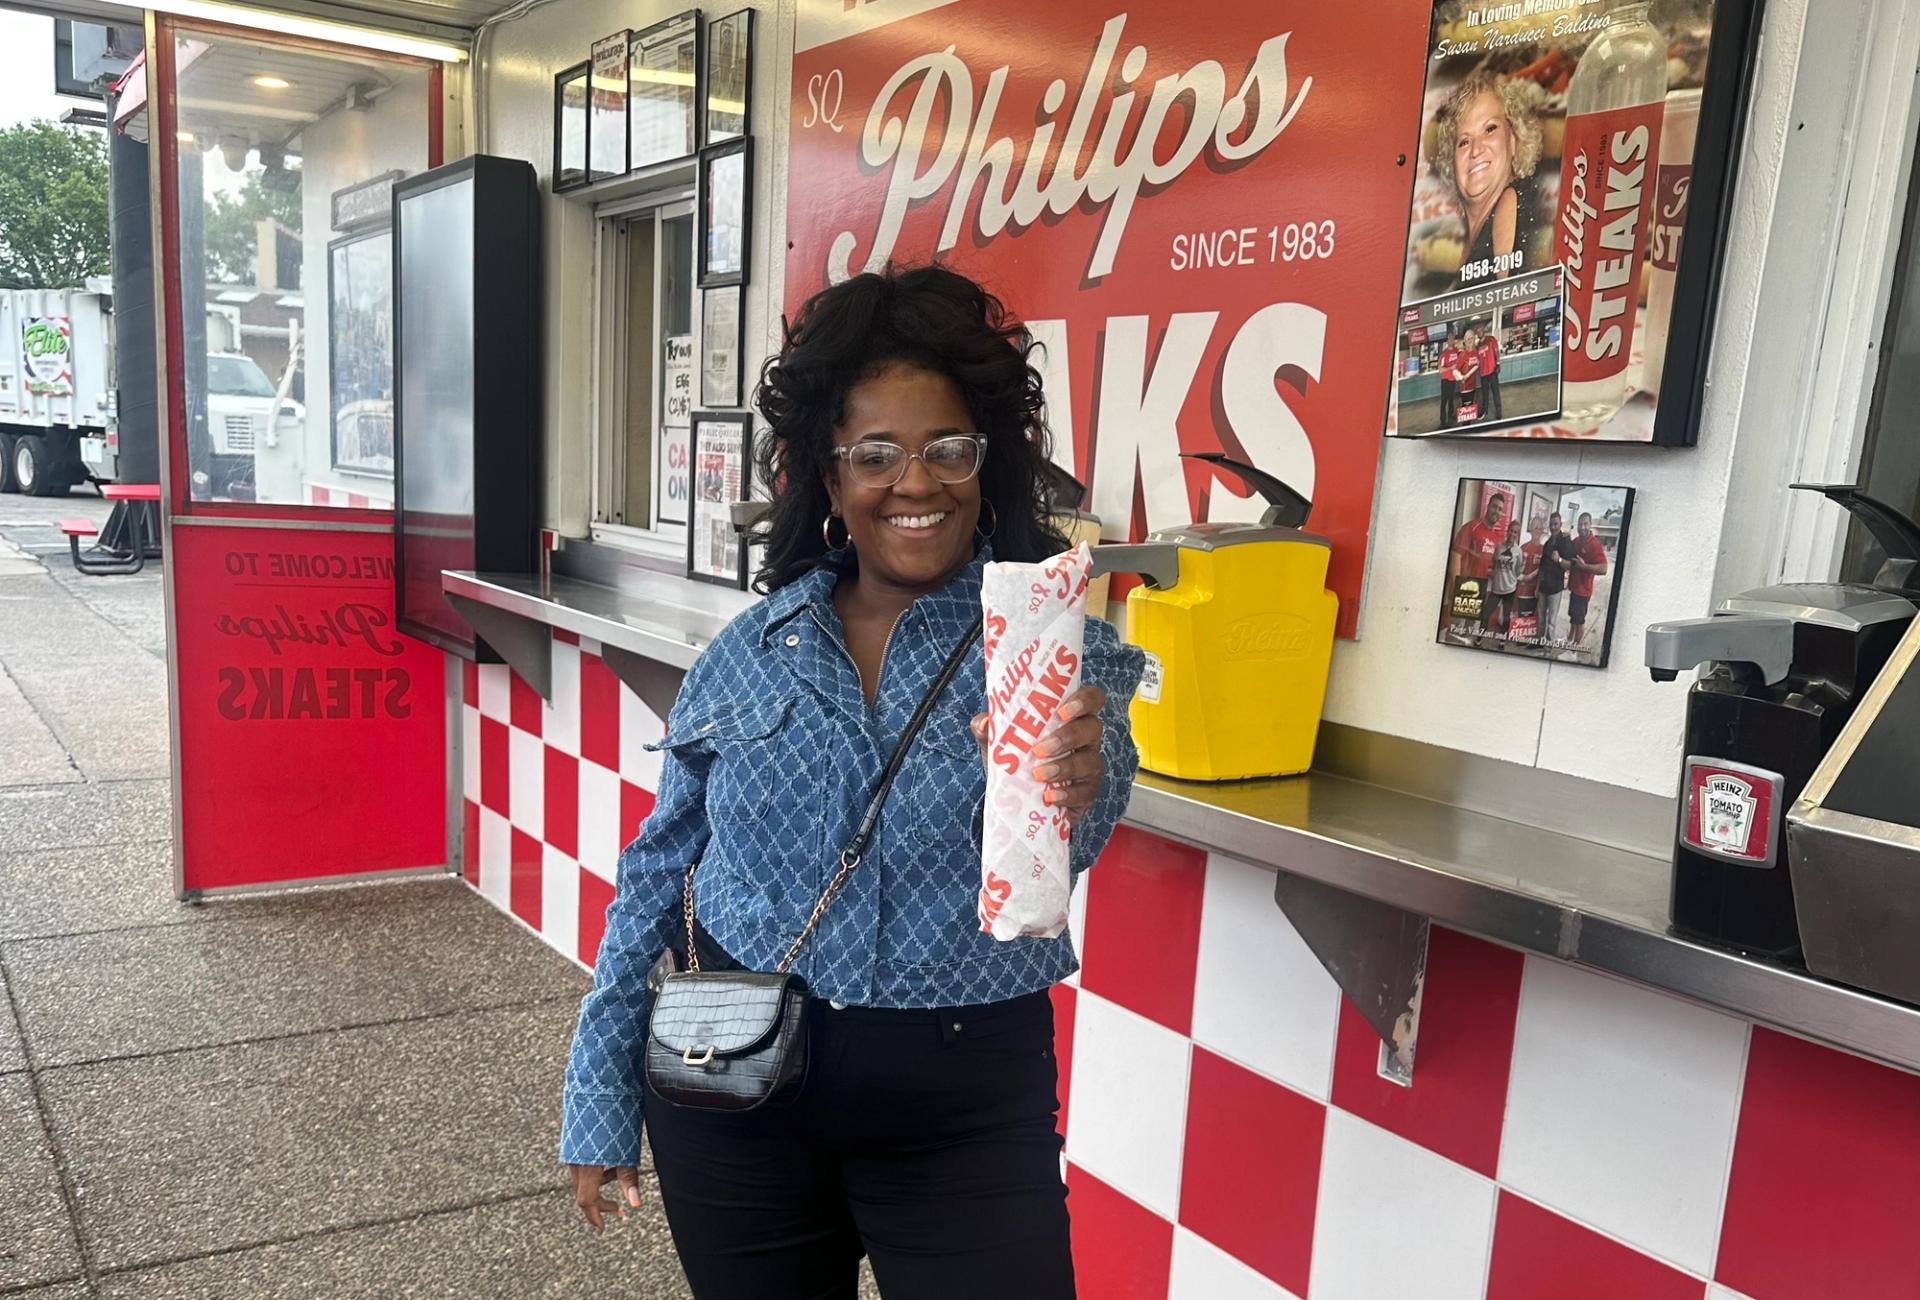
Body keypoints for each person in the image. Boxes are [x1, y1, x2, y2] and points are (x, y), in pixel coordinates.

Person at [560, 265, 1144, 1300]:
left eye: (946, 449)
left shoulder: (1050, 648)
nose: (913, 482)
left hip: (962, 1097)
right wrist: (598, 1090)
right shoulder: (750, 651)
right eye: (875, 453)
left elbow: (1080, 828)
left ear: (985, 464)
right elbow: (654, 872)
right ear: (829, 481)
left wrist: (1076, 782)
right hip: (736, 1086)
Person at [1434, 71, 1544, 288]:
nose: (1476, 149)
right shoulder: (1469, 236)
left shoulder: (1509, 201)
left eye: (1490, 129)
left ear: (1514, 140)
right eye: (1464, 142)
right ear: (1451, 162)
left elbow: (1511, 312)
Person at [1568, 511, 1610, 648]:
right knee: (1573, 617)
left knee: (1579, 621)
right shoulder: (1577, 541)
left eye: (1585, 524)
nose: (1582, 527)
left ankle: (1574, 650)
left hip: (1583, 591)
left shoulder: (1595, 544)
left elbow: (1604, 569)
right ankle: (1569, 641)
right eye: (1580, 524)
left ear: (1590, 525)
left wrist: (1584, 566)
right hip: (1574, 587)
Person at [1535, 511, 1578, 647]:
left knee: (1551, 621)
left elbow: (1570, 565)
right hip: (1543, 586)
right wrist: (1537, 587)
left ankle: (1548, 646)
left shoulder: (1565, 541)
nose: (1553, 527)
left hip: (1555, 588)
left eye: (1555, 524)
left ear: (1560, 525)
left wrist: (1559, 559)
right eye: (1551, 524)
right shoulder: (1547, 543)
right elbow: (1541, 567)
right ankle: (1538, 642)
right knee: (1541, 618)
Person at [1487, 520, 1523, 635]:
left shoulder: (1518, 551)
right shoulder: (1499, 547)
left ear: (1518, 535)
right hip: (1496, 588)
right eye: (1511, 531)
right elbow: (1493, 564)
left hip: (1510, 589)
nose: (1513, 534)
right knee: (1486, 613)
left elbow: (1518, 570)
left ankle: (1502, 640)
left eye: (1516, 532)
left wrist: (1512, 579)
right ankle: (1479, 637)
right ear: (1508, 531)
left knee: (1506, 617)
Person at [1516, 517, 1546, 629]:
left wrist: (1533, 576)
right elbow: (1516, 570)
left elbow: (1544, 570)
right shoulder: (1523, 547)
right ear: (1531, 529)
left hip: (1537, 590)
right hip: (1523, 590)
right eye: (1535, 527)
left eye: (1540, 528)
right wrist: (1523, 578)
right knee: (1522, 618)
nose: (1537, 530)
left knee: (1534, 620)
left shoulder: (1544, 549)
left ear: (1543, 530)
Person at [1456, 327, 1483, 424]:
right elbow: (1455, 371)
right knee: (1466, 414)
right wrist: (1462, 377)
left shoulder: (1476, 352)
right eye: (1467, 338)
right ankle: (1465, 430)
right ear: (1464, 341)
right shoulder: (1462, 355)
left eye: (1471, 338)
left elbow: (1479, 364)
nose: (1469, 340)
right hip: (1465, 388)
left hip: (1474, 386)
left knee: (1471, 411)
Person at [1477, 324, 1503, 421]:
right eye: (1477, 332)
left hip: (1492, 371)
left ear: (1484, 330)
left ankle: (1499, 412)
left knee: (1495, 393)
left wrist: (1498, 363)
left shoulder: (1491, 339)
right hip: (1483, 374)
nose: (1478, 333)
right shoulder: (1478, 345)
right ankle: (1485, 411)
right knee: (1485, 394)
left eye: (1480, 330)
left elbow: (1496, 352)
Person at [1438, 328, 1462, 428]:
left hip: (1453, 380)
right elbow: (1440, 370)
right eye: (1450, 339)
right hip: (1445, 381)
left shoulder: (1457, 351)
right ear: (1447, 341)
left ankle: (1450, 416)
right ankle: (1443, 421)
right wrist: (1450, 368)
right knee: (1444, 401)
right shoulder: (1444, 354)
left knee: (1451, 399)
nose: (1451, 340)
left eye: (1453, 338)